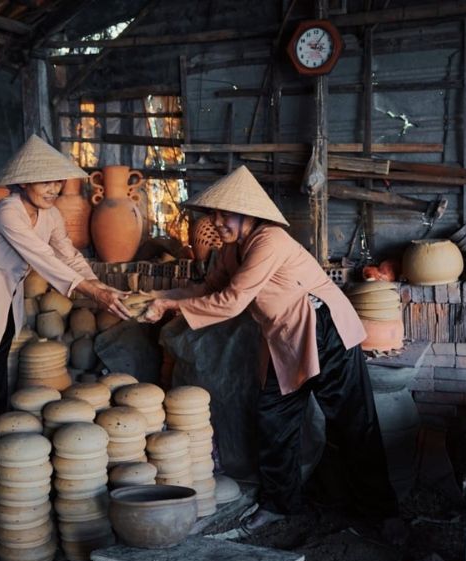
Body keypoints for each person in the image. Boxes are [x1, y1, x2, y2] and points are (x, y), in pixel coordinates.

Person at [142, 166, 400, 534]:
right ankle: (280, 504)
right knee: (274, 421)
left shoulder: (270, 241)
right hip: (284, 337)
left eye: (224, 213)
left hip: (325, 330)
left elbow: (230, 302)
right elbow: (206, 289)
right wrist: (161, 297)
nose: (217, 221)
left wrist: (170, 307)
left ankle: (381, 512)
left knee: (353, 423)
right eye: (213, 213)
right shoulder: (231, 250)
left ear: (248, 214)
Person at [0, 135, 130, 423]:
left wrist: (102, 287)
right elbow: (42, 256)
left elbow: (69, 256)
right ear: (23, 183)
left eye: (57, 181)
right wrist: (94, 295)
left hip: (5, 301)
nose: (53, 189)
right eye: (45, 182)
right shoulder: (9, 211)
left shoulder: (51, 214)